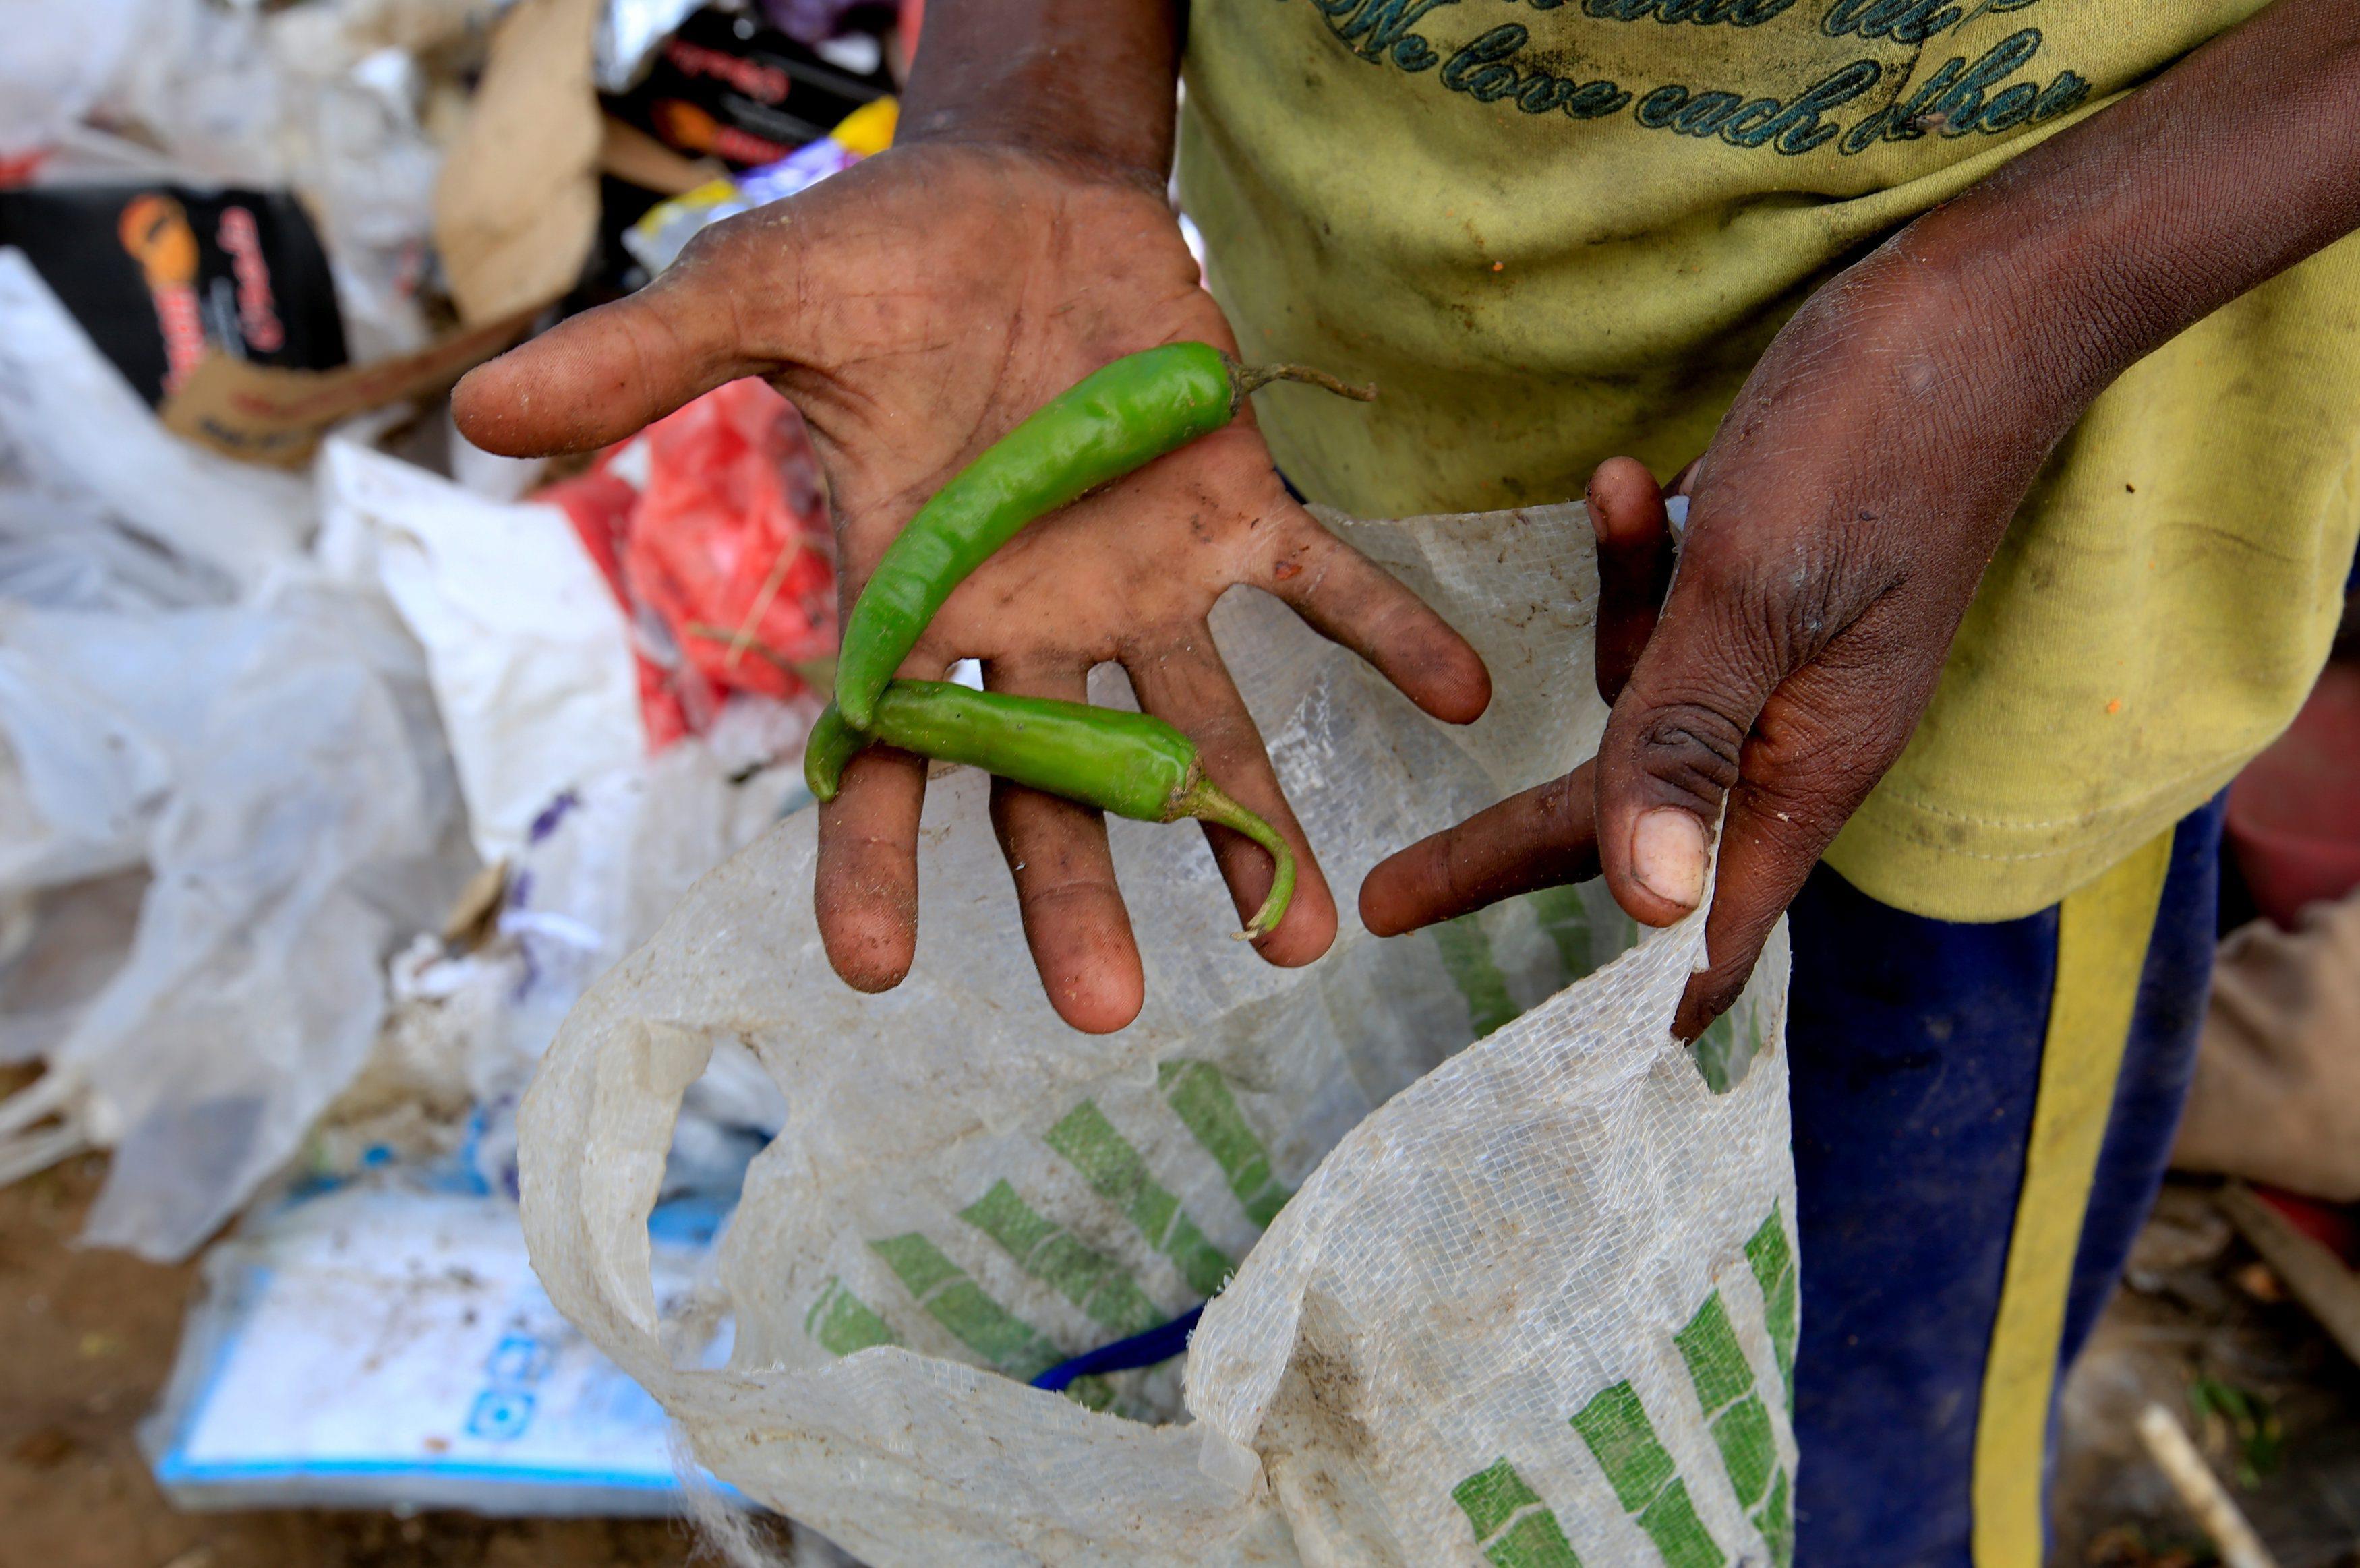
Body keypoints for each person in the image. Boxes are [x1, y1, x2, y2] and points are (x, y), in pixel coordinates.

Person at [453, 2, 2360, 1561]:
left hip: (2034, 564)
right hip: (1315, 486)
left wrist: (2021, 300)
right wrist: (1036, 105)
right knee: (1391, 1314)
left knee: (1843, 1428)